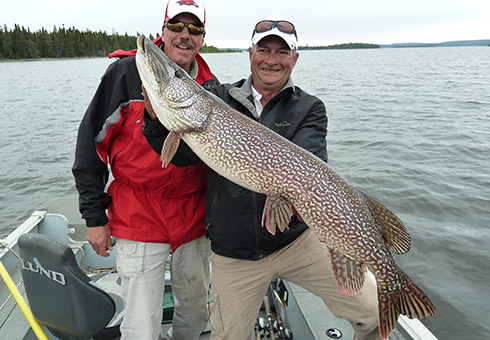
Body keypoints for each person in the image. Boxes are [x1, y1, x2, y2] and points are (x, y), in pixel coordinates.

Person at [203, 17, 381, 340]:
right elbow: (180, 153)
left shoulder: (310, 108)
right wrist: (155, 118)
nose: (272, 60)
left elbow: (305, 175)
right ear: (250, 53)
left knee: (375, 313)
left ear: (295, 59)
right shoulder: (219, 99)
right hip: (235, 251)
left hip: (296, 241)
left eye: (282, 52)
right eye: (264, 50)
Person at [72, 0, 217, 339]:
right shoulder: (123, 74)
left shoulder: (210, 85)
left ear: (203, 39)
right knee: (141, 320)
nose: (185, 35)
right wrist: (94, 218)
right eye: (176, 27)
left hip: (194, 214)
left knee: (196, 311)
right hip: (139, 211)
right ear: (162, 31)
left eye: (194, 29)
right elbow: (89, 149)